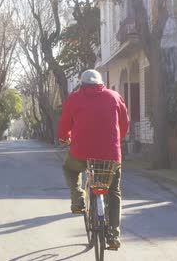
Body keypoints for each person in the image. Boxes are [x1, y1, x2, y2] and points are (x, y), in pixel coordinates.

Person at [58, 69, 130, 249]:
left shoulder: (74, 98)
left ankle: (78, 199)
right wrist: (118, 139)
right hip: (110, 156)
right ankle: (113, 235)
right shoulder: (114, 97)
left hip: (81, 154)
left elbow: (65, 125)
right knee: (114, 192)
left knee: (70, 168)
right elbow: (124, 123)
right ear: (101, 83)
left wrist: (65, 137)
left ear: (82, 84)